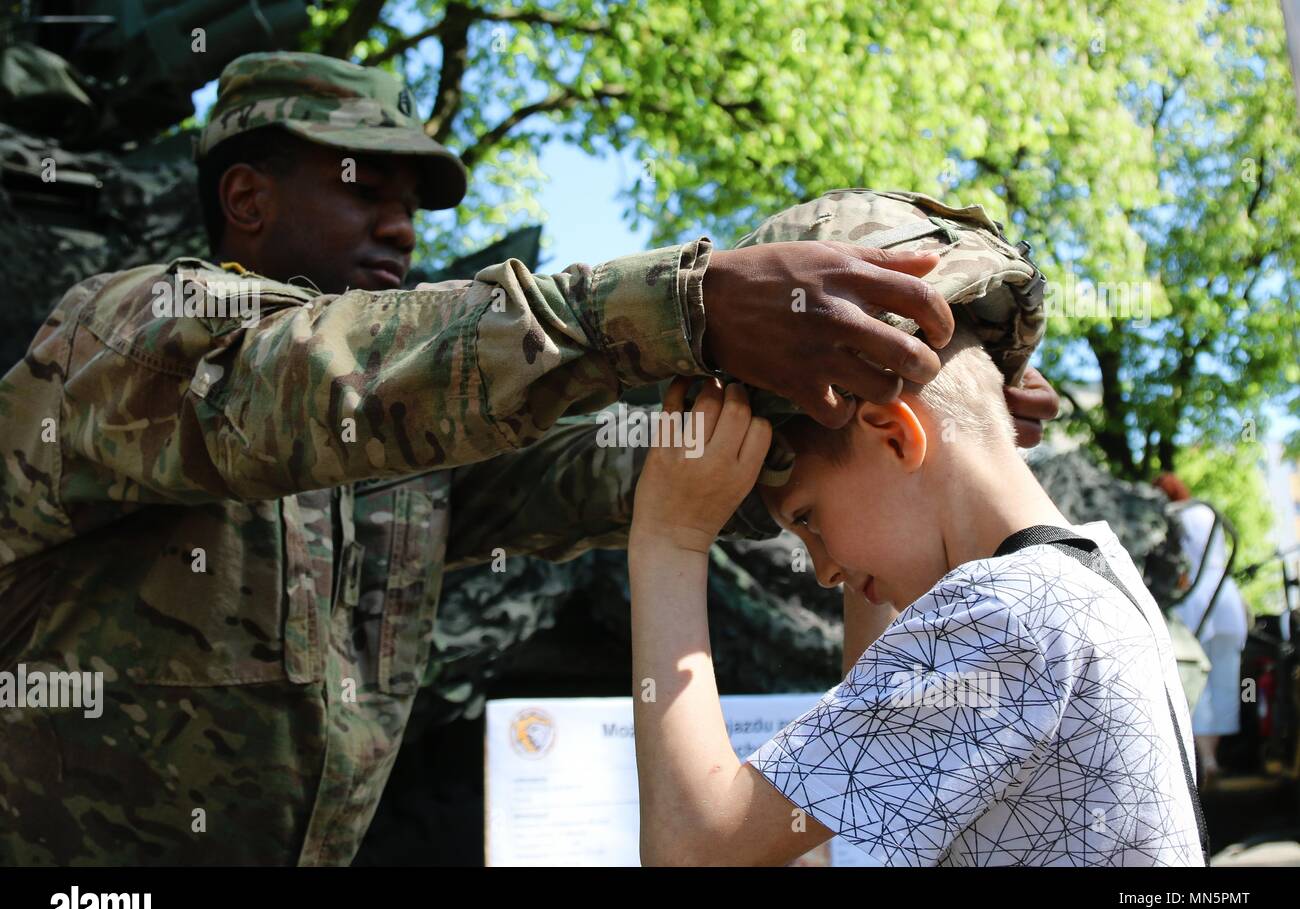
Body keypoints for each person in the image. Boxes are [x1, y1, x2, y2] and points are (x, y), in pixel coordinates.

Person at [0, 51, 1061, 865]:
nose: (402, 228)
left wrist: (893, 400)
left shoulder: (411, 454)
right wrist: (679, 306)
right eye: (369, 188)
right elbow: (325, 382)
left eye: (413, 206)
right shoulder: (128, 335)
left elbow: (623, 470)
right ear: (247, 200)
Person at [626, 199, 1206, 866]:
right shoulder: (1090, 574)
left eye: (808, 520)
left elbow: (693, 848)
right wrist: (869, 546)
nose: (822, 569)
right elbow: (867, 742)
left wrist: (670, 538)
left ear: (898, 434)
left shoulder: (1005, 613)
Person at [1154, 473, 1250, 788]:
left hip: (1193, 598)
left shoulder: (1172, 516)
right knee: (1224, 681)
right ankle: (1212, 758)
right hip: (1226, 596)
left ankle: (1202, 762)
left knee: (1193, 681)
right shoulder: (1207, 512)